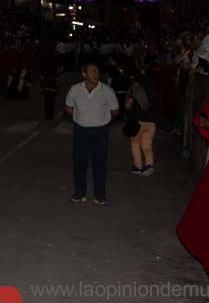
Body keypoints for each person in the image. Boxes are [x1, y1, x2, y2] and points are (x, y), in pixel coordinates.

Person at [65, 61, 120, 205]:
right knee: (79, 163)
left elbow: (115, 111)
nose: (96, 74)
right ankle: (79, 193)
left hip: (100, 132)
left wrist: (102, 119)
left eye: (97, 71)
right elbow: (69, 107)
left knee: (99, 164)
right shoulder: (75, 89)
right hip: (80, 131)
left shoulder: (107, 91)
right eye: (92, 71)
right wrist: (80, 118)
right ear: (84, 75)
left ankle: (100, 195)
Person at [124, 72, 156, 176]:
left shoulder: (136, 89)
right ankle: (149, 165)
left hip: (137, 121)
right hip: (151, 123)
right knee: (147, 146)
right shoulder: (154, 91)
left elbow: (128, 105)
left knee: (135, 144)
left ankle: (137, 167)